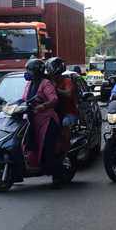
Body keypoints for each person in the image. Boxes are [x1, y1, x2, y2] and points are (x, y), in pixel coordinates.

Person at [22, 58, 63, 187]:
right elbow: (24, 99)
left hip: (47, 120)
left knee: (48, 149)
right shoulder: (29, 84)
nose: (27, 72)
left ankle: (57, 177)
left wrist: (43, 106)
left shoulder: (46, 83)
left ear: (37, 71)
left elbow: (54, 99)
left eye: (29, 70)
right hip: (32, 119)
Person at [45, 57, 79, 153]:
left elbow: (68, 93)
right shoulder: (47, 82)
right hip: (53, 112)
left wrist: (55, 89)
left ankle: (66, 150)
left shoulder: (67, 81)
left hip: (68, 113)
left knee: (65, 123)